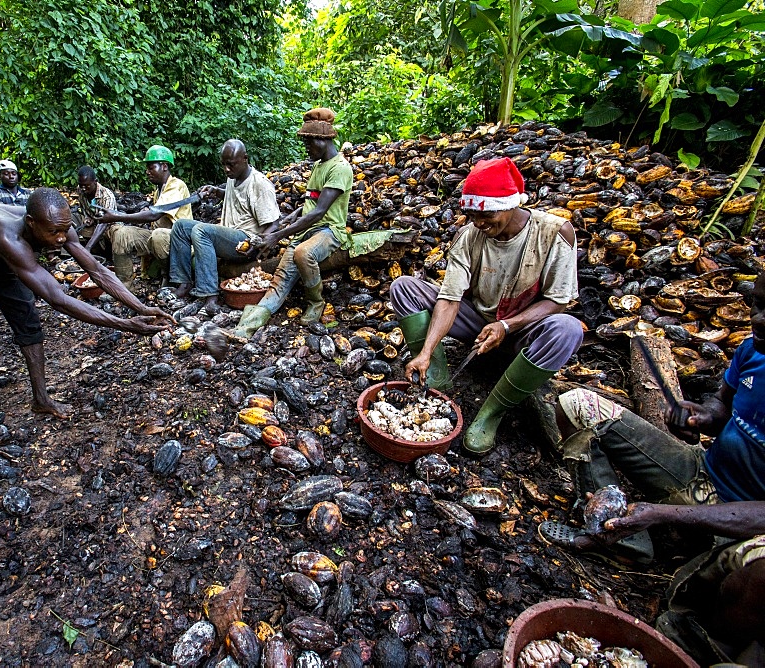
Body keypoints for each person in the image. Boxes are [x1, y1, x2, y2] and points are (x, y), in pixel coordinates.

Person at [538, 275, 765, 663]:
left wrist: (662, 515)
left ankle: (702, 643)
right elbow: (723, 405)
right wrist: (702, 416)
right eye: (757, 305)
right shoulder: (755, 349)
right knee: (578, 406)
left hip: (749, 525)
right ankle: (619, 536)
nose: (758, 319)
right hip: (701, 473)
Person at [0, 190, 172, 418]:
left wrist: (141, 307)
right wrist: (125, 324)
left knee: (28, 321)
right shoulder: (10, 238)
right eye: (53, 233)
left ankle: (41, 399)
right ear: (31, 223)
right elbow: (57, 299)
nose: (61, 238)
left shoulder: (59, 224)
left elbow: (98, 271)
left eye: (65, 230)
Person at [389, 157, 582, 455]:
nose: (479, 223)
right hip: (477, 324)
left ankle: (490, 413)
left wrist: (507, 326)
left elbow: (558, 300)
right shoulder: (469, 236)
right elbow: (450, 297)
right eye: (472, 216)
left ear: (511, 204)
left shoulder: (554, 233)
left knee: (567, 329)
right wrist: (425, 351)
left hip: (522, 332)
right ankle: (436, 374)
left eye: (487, 215)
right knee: (404, 288)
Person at [230, 108, 352, 338]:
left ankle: (316, 302)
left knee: (303, 253)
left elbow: (319, 212)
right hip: (308, 230)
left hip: (330, 231)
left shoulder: (340, 168)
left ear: (321, 140)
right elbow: (310, 203)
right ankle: (244, 328)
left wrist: (278, 235)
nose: (306, 147)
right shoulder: (319, 166)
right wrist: (289, 219)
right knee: (279, 281)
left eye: (308, 142)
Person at [169, 139, 281, 317]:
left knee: (201, 231)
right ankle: (184, 283)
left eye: (231, 165)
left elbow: (274, 223)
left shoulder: (259, 183)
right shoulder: (234, 176)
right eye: (224, 165)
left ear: (245, 158)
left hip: (247, 243)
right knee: (181, 226)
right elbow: (237, 198)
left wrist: (256, 243)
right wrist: (216, 191)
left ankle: (210, 296)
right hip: (230, 236)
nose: (226, 169)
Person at [94, 145, 192, 289]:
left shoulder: (176, 186)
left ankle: (171, 276)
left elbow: (154, 214)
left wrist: (116, 215)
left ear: (164, 166)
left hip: (179, 242)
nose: (147, 172)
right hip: (159, 239)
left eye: (151, 167)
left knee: (158, 236)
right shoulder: (159, 189)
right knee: (122, 233)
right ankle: (124, 286)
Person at [72, 165, 117, 255]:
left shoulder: (106, 196)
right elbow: (83, 207)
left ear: (95, 182)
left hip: (108, 226)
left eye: (87, 186)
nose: (83, 189)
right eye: (81, 185)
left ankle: (102, 253)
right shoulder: (81, 189)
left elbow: (104, 222)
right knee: (70, 218)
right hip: (93, 222)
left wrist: (88, 247)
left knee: (114, 233)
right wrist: (87, 217)